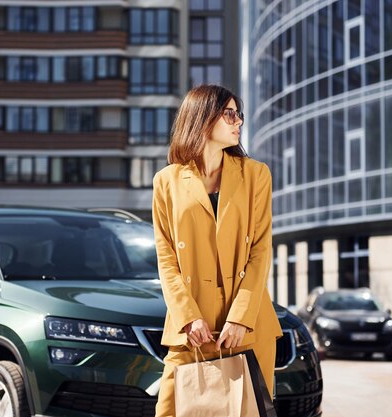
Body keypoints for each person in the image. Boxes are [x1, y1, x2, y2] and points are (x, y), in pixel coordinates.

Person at [152, 84, 282, 416]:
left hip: (246, 327)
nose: (238, 121)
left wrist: (240, 318)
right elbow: (166, 258)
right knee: (168, 409)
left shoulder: (255, 175)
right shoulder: (166, 181)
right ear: (202, 117)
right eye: (229, 113)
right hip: (191, 330)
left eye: (239, 114)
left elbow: (260, 250)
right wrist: (188, 316)